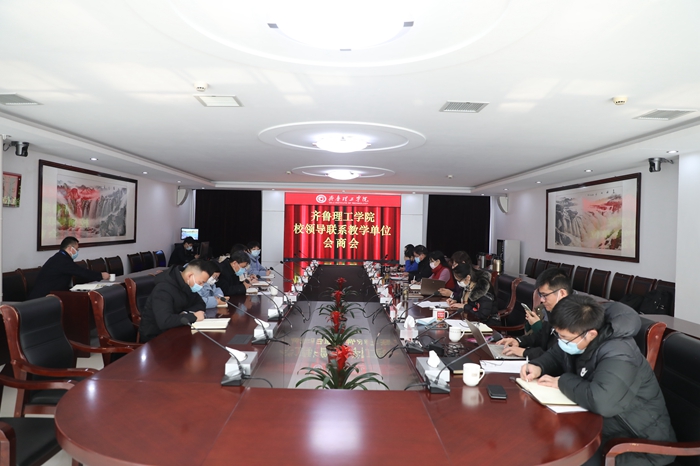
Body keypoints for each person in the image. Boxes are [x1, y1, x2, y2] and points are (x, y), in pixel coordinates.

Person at [520, 295, 676, 466]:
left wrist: (562, 382)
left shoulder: (619, 353)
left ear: (591, 334)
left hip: (639, 445)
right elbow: (558, 353)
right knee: (541, 440)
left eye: (564, 337)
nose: (561, 341)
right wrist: (539, 366)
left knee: (558, 456)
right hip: (603, 428)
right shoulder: (581, 334)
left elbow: (602, 401)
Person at [497, 267, 570, 358]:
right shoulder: (555, 311)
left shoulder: (574, 318)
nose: (542, 300)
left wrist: (524, 352)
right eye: (540, 295)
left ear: (562, 293)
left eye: (545, 295)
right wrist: (518, 341)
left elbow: (555, 356)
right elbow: (540, 336)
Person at [139, 259, 218, 342]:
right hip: (155, 339)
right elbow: (164, 321)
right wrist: (193, 316)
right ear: (190, 276)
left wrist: (185, 313)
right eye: (200, 282)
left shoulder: (187, 285)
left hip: (177, 331)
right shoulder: (163, 289)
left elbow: (201, 304)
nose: (201, 286)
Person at [28, 236, 109, 299]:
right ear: (70, 248)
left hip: (51, 296)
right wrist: (101, 275)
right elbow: (81, 272)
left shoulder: (60, 257)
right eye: (76, 249)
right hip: (42, 299)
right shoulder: (62, 260)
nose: (77, 252)